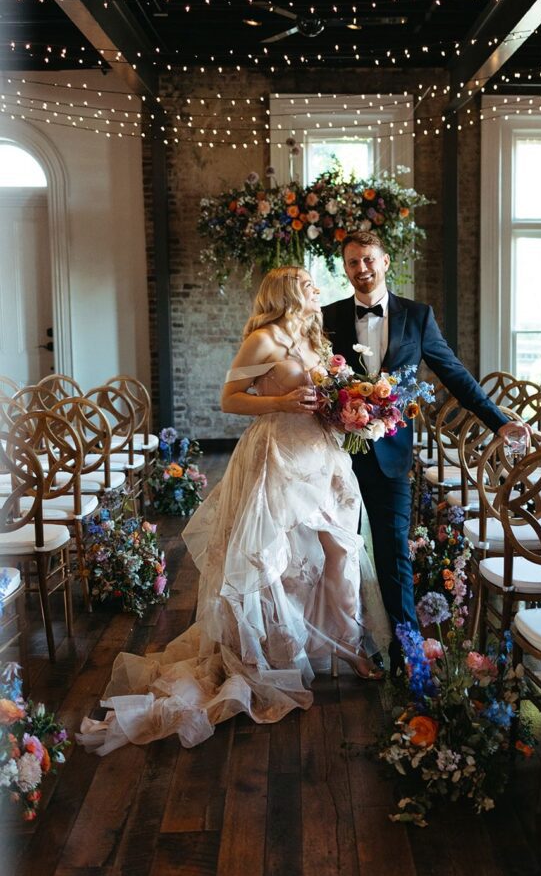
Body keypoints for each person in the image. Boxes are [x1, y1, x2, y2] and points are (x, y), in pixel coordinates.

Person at [78, 266, 386, 756]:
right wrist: (282, 400)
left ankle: (347, 647)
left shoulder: (313, 338)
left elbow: (327, 395)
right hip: (277, 458)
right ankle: (276, 654)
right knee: (275, 563)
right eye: (307, 283)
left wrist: (352, 408)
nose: (316, 289)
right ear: (285, 292)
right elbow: (228, 398)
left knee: (340, 554)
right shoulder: (263, 340)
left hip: (322, 459)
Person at [322, 230, 530, 675]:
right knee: (336, 551)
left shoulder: (418, 316)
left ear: (385, 261)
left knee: (394, 549)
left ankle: (408, 656)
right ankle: (348, 646)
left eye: (368, 260)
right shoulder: (328, 318)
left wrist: (499, 420)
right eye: (353, 262)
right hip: (333, 456)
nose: (362, 269)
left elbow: (453, 373)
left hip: (392, 454)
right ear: (346, 268)